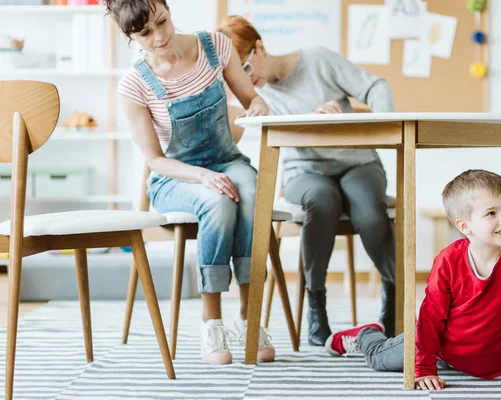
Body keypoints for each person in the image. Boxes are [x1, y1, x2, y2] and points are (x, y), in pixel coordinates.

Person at [106, 0, 273, 365]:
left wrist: (258, 106)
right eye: (144, 33)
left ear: (167, 9)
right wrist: (203, 176)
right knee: (218, 200)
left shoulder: (215, 46)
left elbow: (251, 97)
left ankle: (248, 317)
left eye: (161, 22)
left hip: (227, 161)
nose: (159, 37)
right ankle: (211, 321)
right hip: (174, 177)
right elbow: (155, 160)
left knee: (251, 191)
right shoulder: (134, 84)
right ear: (129, 36)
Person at [217, 15, 397, 346]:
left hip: (357, 161)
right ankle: (317, 307)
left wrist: (378, 127)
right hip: (304, 171)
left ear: (259, 47)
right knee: (321, 200)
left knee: (369, 209)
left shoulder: (316, 59)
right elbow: (243, 132)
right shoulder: (256, 97)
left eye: (244, 66)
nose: (246, 78)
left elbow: (376, 86)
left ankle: (393, 297)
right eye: (234, 75)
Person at [325, 170, 501, 395]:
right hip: (440, 347)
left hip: (492, 364)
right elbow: (431, 317)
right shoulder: (448, 261)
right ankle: (366, 334)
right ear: (464, 226)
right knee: (379, 359)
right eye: (492, 213)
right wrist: (424, 367)